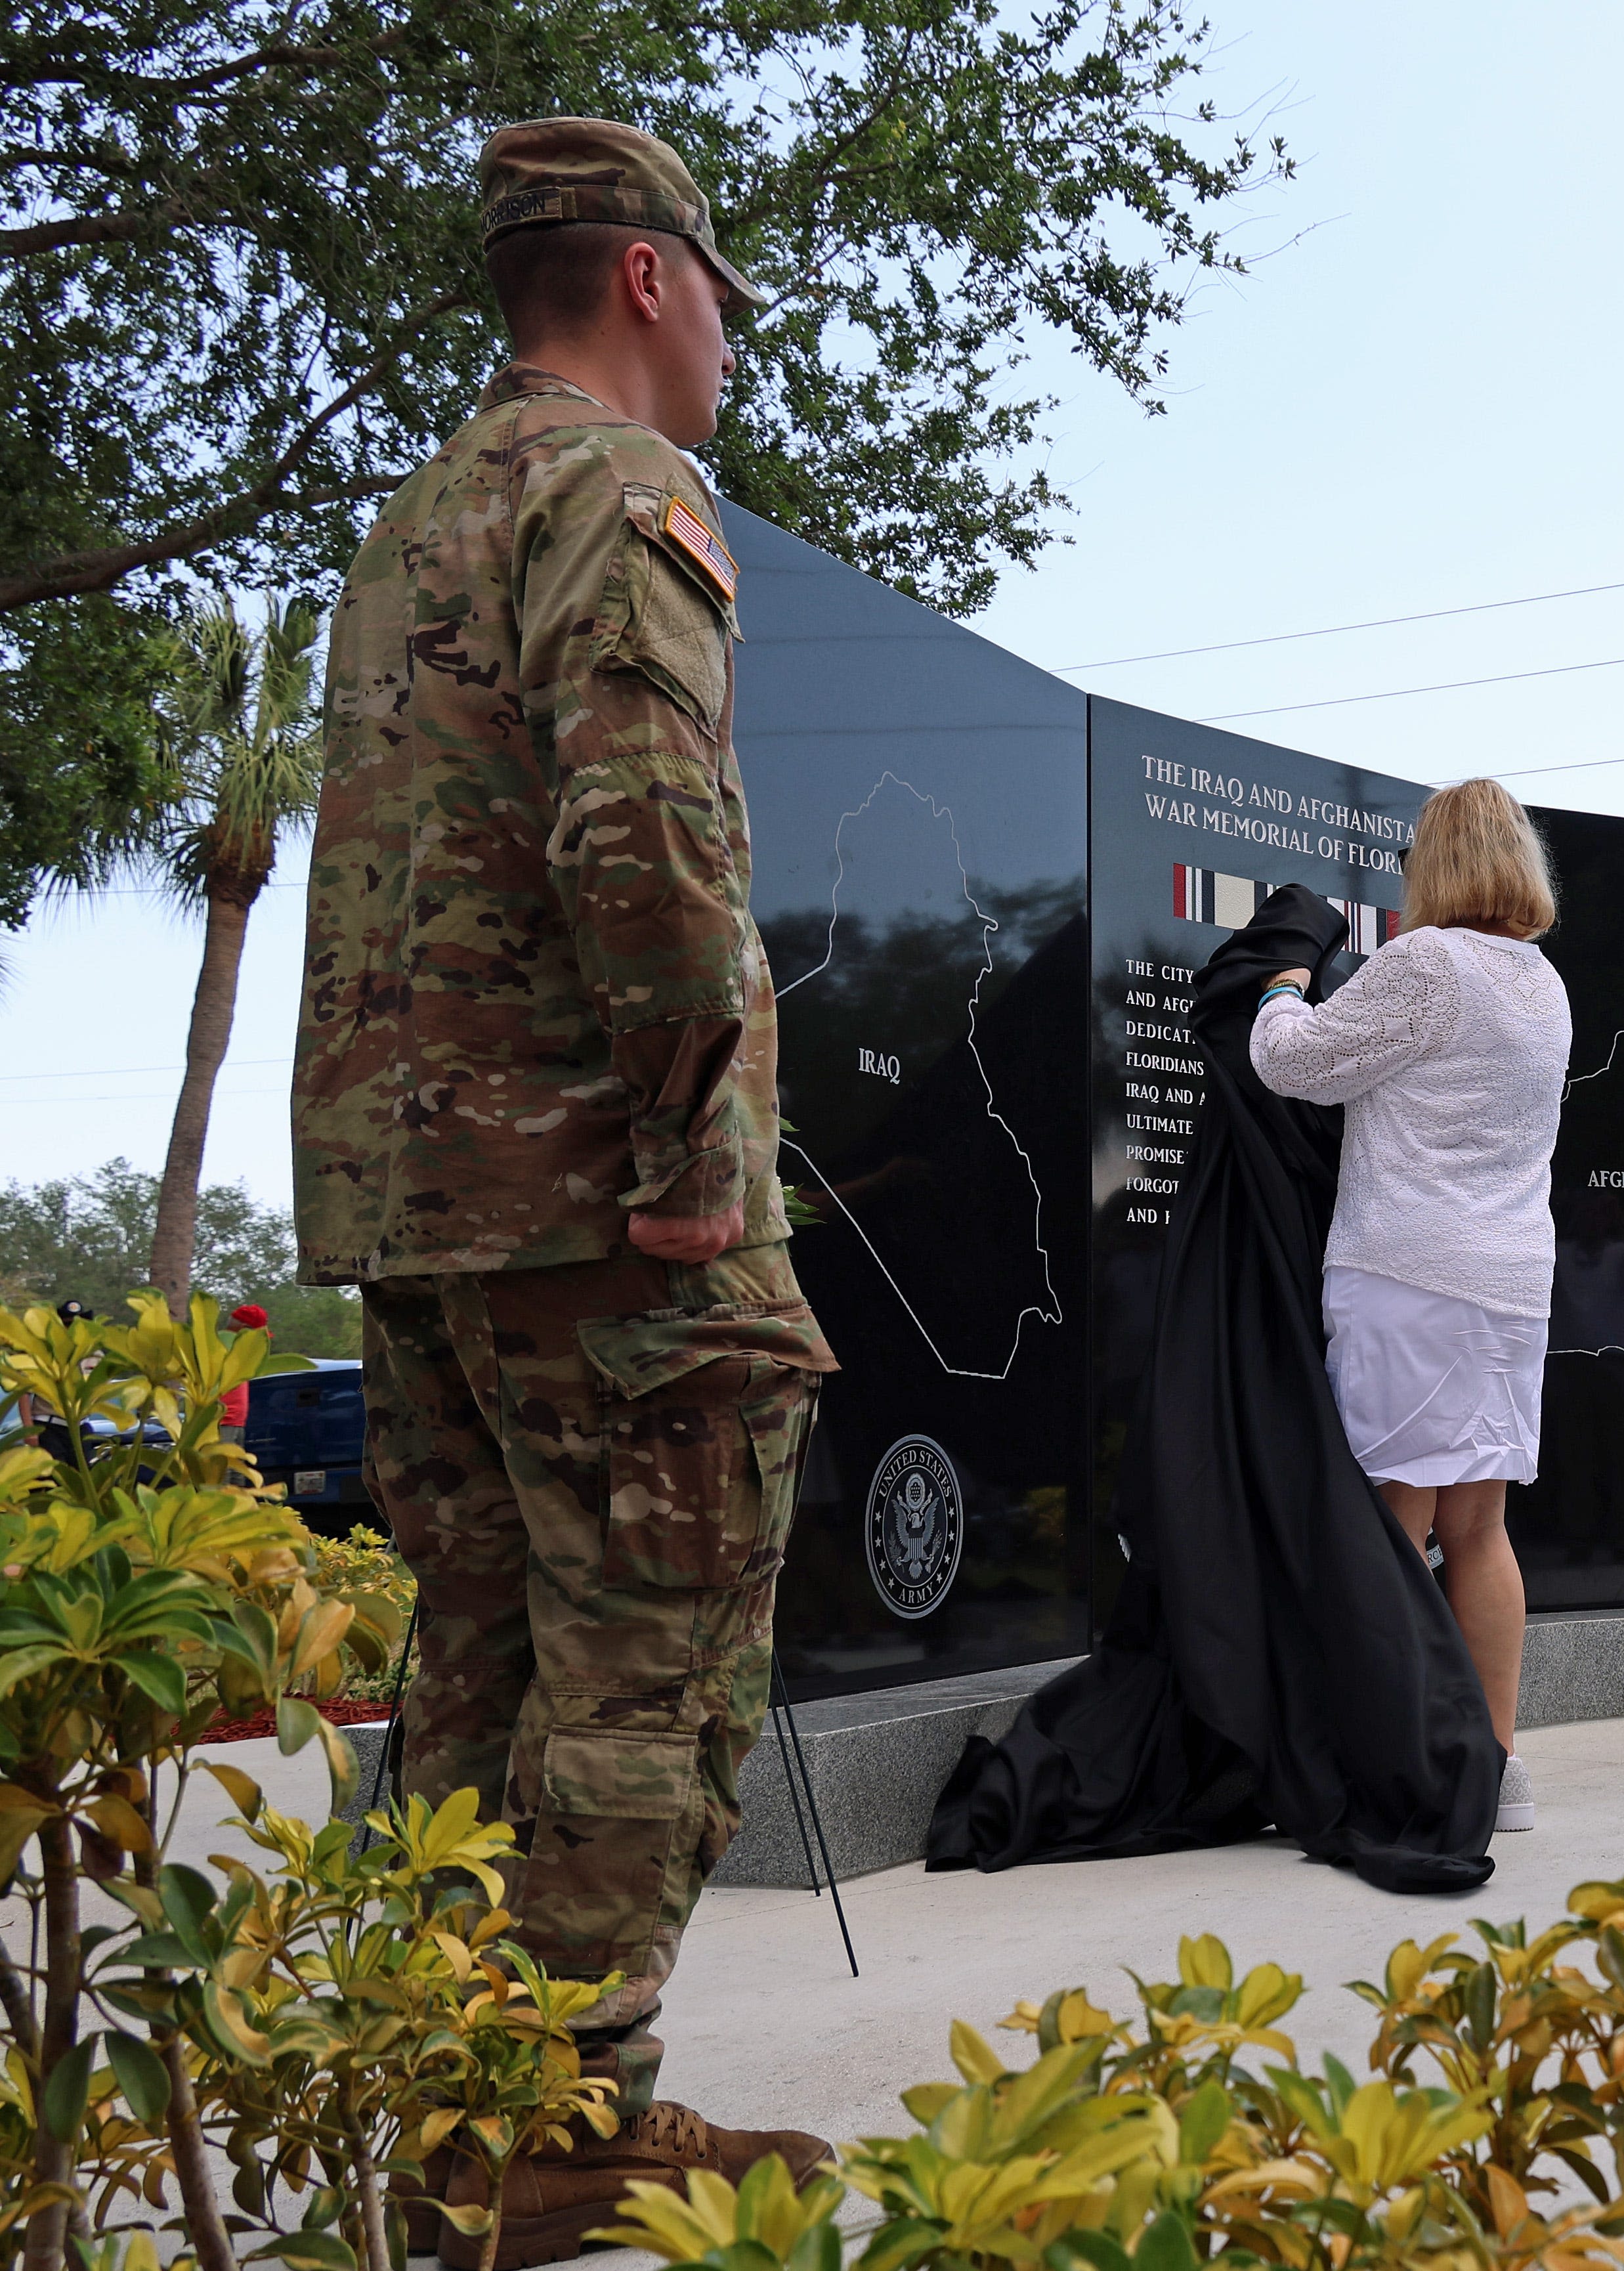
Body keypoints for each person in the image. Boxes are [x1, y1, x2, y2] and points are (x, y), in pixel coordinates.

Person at [289, 117, 836, 2265]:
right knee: (661, 1649)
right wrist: (697, 1138)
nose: (727, 343)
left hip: (416, 1201)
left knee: (481, 1656)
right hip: (604, 1206)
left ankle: (457, 2103)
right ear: (643, 281)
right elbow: (644, 812)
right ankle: (557, 2123)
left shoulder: (410, 522)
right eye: (720, 298)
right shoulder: (623, 490)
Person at [1250, 779, 1572, 1828]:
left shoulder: (1428, 962)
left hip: (1410, 1276)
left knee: (1392, 1519)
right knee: (1481, 1528)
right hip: (1512, 1285)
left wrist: (1281, 980)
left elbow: (1291, 1063)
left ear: (1433, 865)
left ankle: (1393, 1767)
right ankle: (1497, 1767)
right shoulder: (1544, 982)